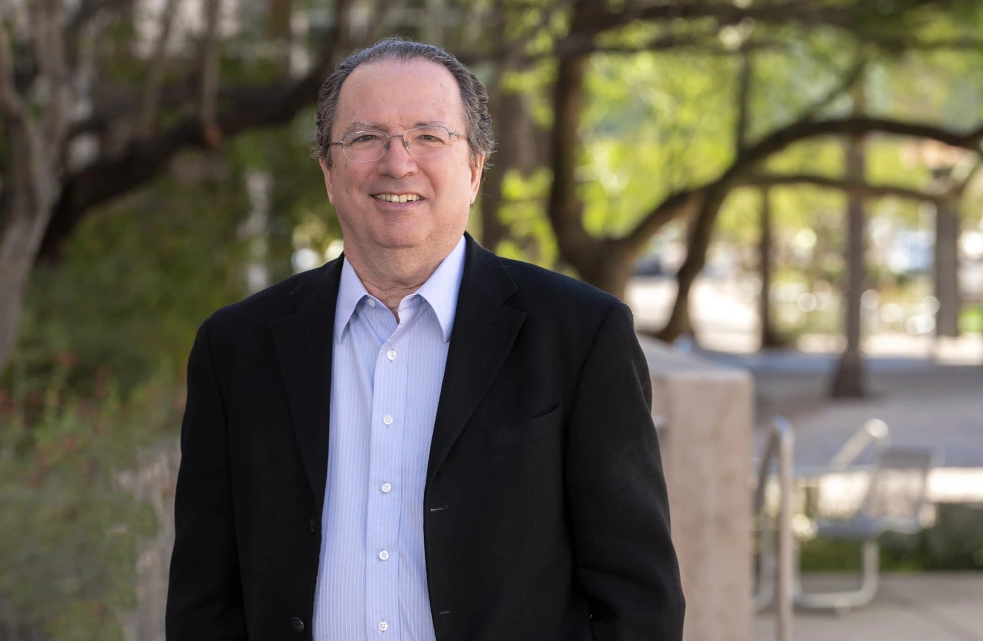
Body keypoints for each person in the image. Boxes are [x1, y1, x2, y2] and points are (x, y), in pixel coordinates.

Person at [165, 38, 684, 641]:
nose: (397, 162)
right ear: (328, 172)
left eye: (429, 136)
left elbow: (638, 597)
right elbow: (204, 598)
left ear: (474, 168)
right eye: (364, 138)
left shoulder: (580, 335)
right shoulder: (236, 349)